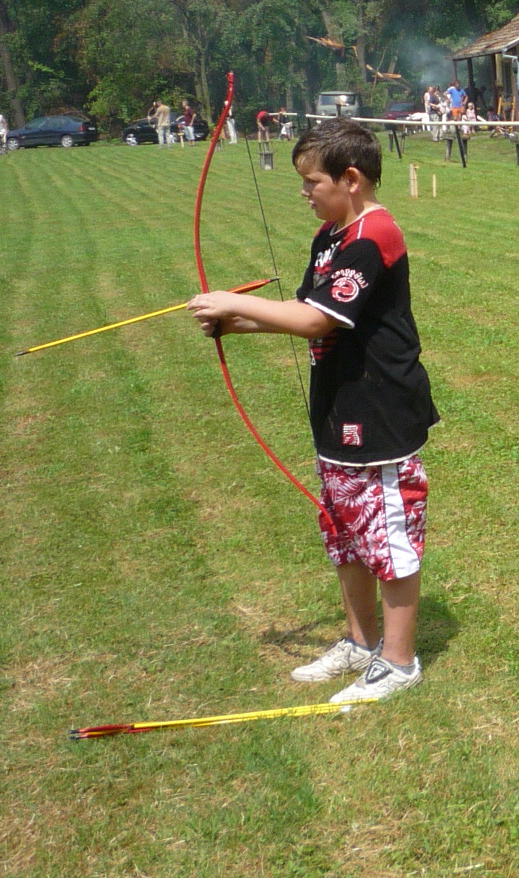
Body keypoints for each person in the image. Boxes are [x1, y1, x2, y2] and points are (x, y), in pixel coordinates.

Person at [186, 118, 440, 705]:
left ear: (350, 179)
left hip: (380, 409)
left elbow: (320, 318)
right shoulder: (330, 236)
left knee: (388, 535)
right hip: (338, 405)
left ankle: (399, 662)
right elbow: (309, 309)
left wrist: (233, 301)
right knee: (346, 530)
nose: (304, 193)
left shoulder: (373, 237)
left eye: (311, 182)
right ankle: (361, 642)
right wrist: (237, 323)